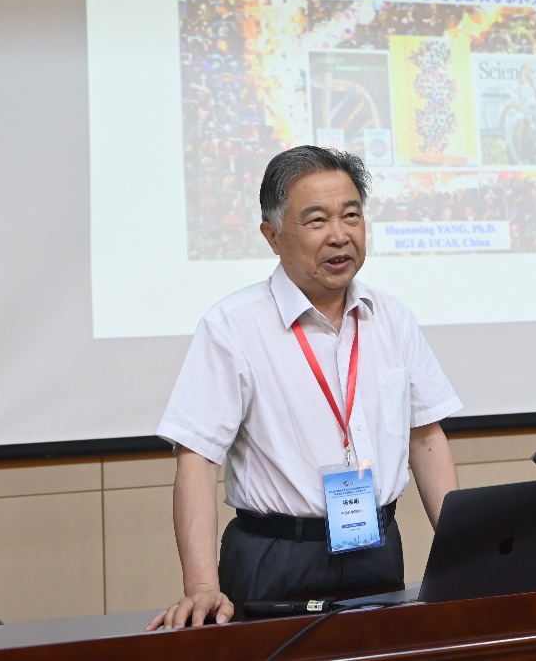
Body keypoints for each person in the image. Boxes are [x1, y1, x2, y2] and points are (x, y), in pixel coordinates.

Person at [148, 146, 461, 629]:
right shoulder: (234, 326)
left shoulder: (392, 317)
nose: (340, 235)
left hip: (376, 547)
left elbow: (426, 438)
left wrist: (463, 554)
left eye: (351, 215)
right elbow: (198, 458)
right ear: (272, 236)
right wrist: (202, 586)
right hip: (275, 554)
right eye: (317, 220)